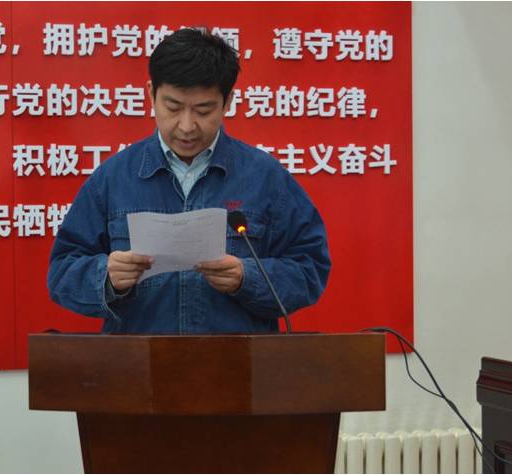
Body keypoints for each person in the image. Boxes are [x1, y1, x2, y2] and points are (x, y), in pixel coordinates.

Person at [47, 28, 331, 333]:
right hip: (139, 360)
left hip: (240, 360)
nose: (186, 126)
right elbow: (62, 272)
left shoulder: (266, 178)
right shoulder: (112, 178)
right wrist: (106, 276)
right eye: (173, 107)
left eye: (203, 110)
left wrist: (247, 277)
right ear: (151, 94)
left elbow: (310, 268)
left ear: (227, 101)